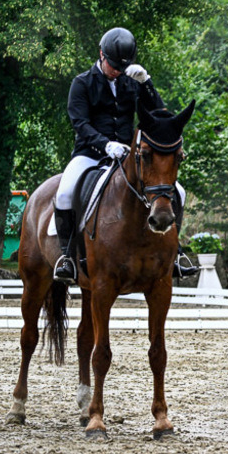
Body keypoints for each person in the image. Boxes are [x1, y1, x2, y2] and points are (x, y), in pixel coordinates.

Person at [53, 27, 197, 282]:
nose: (117, 71)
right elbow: (80, 123)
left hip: (130, 157)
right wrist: (105, 144)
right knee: (65, 192)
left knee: (179, 192)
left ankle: (175, 255)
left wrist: (147, 83)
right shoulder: (82, 83)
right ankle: (67, 257)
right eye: (113, 66)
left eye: (122, 67)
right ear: (101, 54)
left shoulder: (131, 82)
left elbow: (161, 116)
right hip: (91, 154)